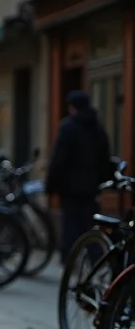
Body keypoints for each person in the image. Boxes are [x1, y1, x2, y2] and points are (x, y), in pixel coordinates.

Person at [45, 90, 114, 260]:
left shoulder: (68, 127)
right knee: (89, 223)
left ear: (72, 107)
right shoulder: (98, 127)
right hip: (91, 186)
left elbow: (59, 159)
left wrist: (51, 184)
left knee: (71, 223)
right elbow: (104, 157)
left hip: (69, 187)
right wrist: (104, 180)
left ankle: (70, 258)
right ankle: (94, 257)